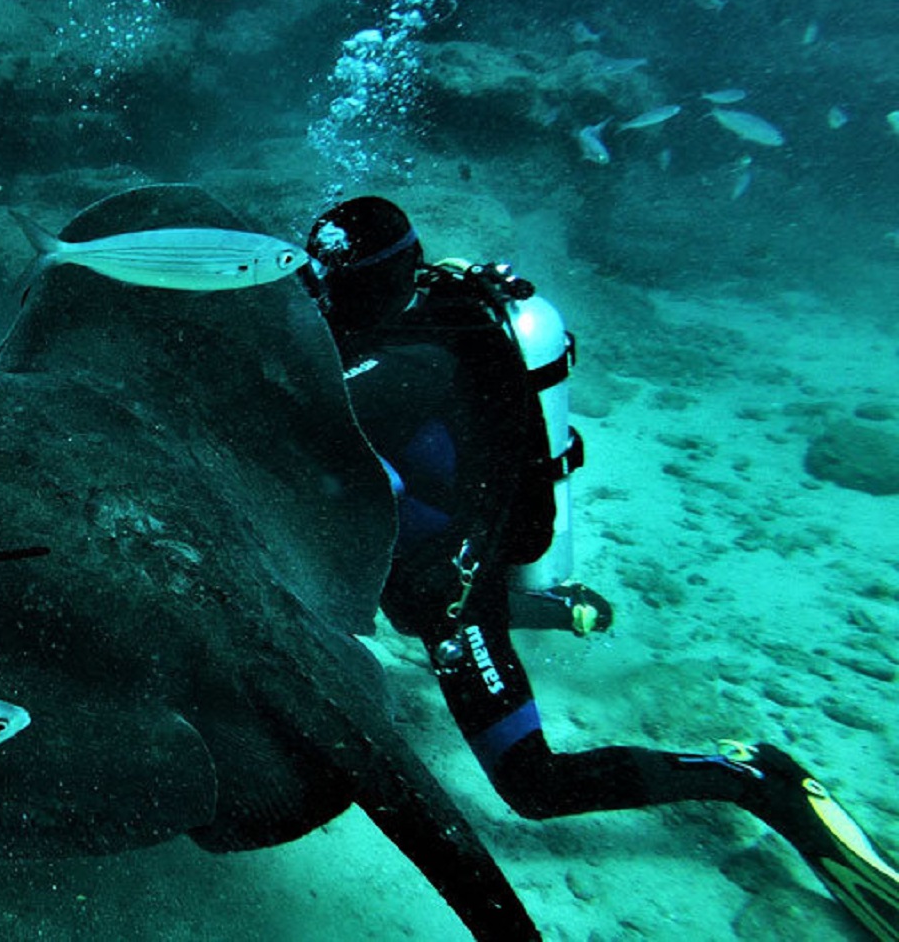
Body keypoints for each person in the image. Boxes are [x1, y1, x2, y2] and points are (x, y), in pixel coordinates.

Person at [302, 195, 899, 938]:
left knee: (533, 785)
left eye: (332, 280)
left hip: (454, 586)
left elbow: (301, 410)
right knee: (401, 595)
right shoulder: (415, 314)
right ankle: (553, 607)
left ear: (365, 284)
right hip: (427, 545)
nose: (318, 293)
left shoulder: (404, 367)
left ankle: (752, 778)